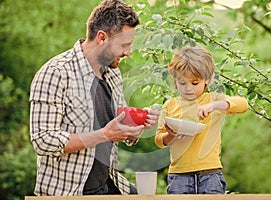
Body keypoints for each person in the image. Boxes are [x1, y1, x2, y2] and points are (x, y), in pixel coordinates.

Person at [29, 0, 160, 196]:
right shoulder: (55, 73)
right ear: (102, 37)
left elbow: (120, 129)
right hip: (70, 191)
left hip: (109, 183)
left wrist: (138, 126)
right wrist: (103, 135)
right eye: (124, 45)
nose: (128, 52)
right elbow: (43, 140)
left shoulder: (112, 73)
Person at [154, 46, 248, 194]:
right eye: (182, 83)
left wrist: (214, 106)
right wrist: (171, 135)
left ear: (207, 79)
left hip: (210, 174)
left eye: (195, 83)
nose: (188, 88)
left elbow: (243, 104)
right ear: (174, 79)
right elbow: (159, 140)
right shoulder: (170, 105)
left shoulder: (213, 100)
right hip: (179, 176)